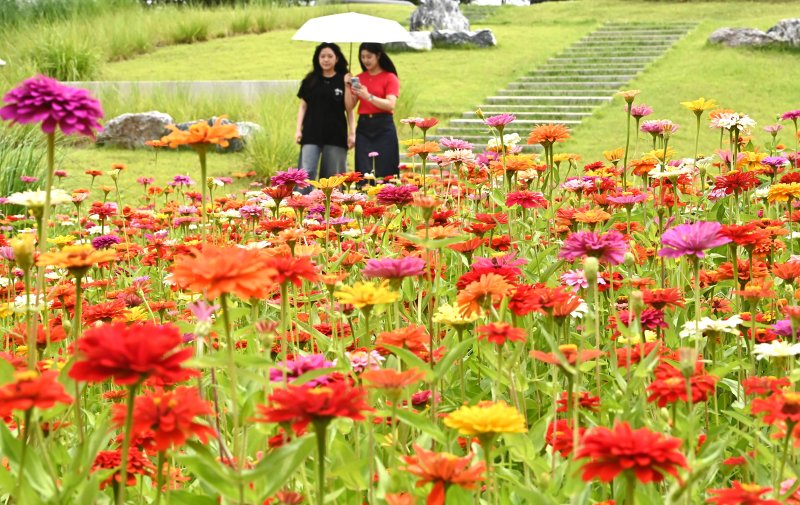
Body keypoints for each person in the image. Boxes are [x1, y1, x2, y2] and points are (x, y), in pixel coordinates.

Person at [295, 42, 355, 183]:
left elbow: (349, 109)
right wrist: (298, 130)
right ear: (317, 58)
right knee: (305, 174)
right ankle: (301, 204)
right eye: (322, 56)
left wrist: (352, 133)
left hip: (336, 135)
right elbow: (303, 106)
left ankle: (330, 205)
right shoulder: (310, 80)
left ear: (337, 59)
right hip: (311, 133)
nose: (326, 60)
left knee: (332, 177)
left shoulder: (344, 80)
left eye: (330, 56)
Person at [348, 42, 400, 181]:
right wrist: (349, 89)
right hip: (364, 126)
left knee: (386, 169)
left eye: (369, 56)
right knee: (363, 169)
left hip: (384, 125)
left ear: (378, 55)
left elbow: (390, 104)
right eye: (363, 57)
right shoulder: (359, 78)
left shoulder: (390, 77)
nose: (365, 60)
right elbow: (351, 106)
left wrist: (368, 96)